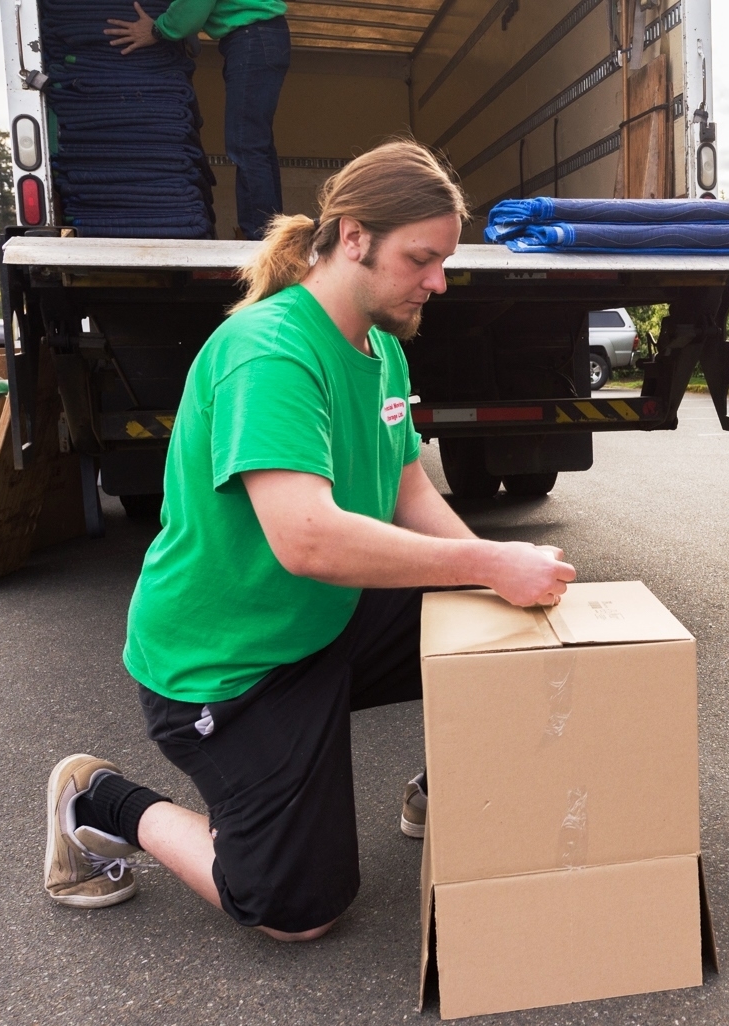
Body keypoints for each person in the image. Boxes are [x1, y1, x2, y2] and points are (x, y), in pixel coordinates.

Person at [42, 141, 577, 940]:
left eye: (445, 260)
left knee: (512, 621)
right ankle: (99, 800)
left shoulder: (383, 347)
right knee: (295, 913)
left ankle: (450, 786)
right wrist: (488, 558)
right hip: (230, 666)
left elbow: (405, 487)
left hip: (326, 621)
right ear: (353, 237)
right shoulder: (271, 352)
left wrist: (497, 578)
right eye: (423, 259)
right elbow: (308, 540)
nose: (440, 281)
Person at [107, 0, 292, 239]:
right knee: (256, 144)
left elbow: (192, 8)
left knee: (247, 144)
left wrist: (158, 29)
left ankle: (262, 237)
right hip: (262, 37)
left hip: (253, 38)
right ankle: (271, 233)